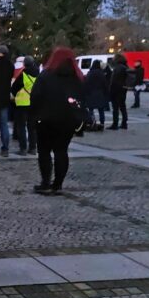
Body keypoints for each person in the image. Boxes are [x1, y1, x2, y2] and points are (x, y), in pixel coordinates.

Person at [30, 47, 84, 195]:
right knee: (61, 151)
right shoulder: (77, 78)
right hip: (68, 121)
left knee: (44, 151)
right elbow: (84, 99)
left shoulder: (46, 76)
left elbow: (35, 97)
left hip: (46, 120)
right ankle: (58, 184)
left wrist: (35, 115)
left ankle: (45, 182)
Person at [11, 56, 39, 155]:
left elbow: (14, 88)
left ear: (24, 64)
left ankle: (23, 148)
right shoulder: (39, 74)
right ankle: (33, 148)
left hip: (22, 103)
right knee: (32, 127)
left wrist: (15, 95)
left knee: (21, 126)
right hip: (35, 103)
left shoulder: (23, 74)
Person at [83, 59, 109, 131]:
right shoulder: (101, 73)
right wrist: (106, 93)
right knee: (101, 110)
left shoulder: (90, 73)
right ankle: (102, 124)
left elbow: (86, 83)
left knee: (91, 109)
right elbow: (105, 84)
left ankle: (92, 122)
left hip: (91, 94)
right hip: (100, 93)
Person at [108, 53, 129, 130]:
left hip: (116, 90)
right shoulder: (126, 67)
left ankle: (115, 124)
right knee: (123, 107)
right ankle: (124, 123)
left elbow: (114, 81)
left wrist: (110, 91)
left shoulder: (118, 68)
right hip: (123, 89)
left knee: (115, 108)